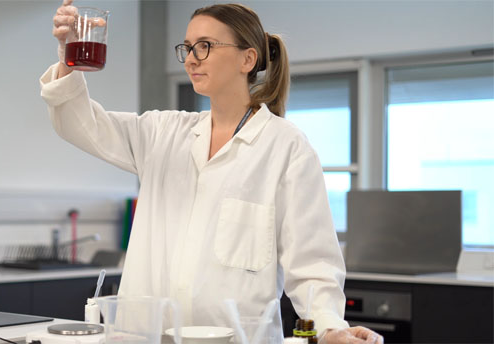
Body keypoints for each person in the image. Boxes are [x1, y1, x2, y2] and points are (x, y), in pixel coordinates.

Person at [41, 1, 383, 343]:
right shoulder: (163, 133)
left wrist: (330, 328)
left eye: (204, 46)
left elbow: (312, 265)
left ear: (247, 59)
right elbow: (81, 123)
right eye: (187, 47)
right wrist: (67, 56)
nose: (191, 58)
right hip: (146, 337)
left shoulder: (285, 147)